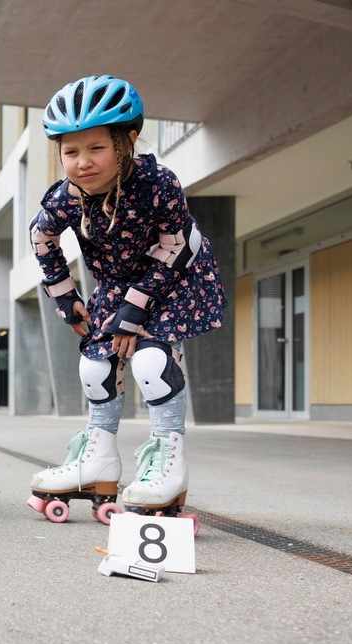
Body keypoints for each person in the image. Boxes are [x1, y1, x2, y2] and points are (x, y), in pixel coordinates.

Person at [27, 75, 227, 521]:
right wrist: (64, 295)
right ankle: (97, 463)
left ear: (126, 141)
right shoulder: (67, 197)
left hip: (174, 278)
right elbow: (41, 236)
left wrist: (135, 311)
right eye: (70, 151)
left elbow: (177, 245)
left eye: (96, 148)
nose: (83, 163)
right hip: (117, 288)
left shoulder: (158, 182)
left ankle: (168, 466)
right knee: (94, 366)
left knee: (151, 363)